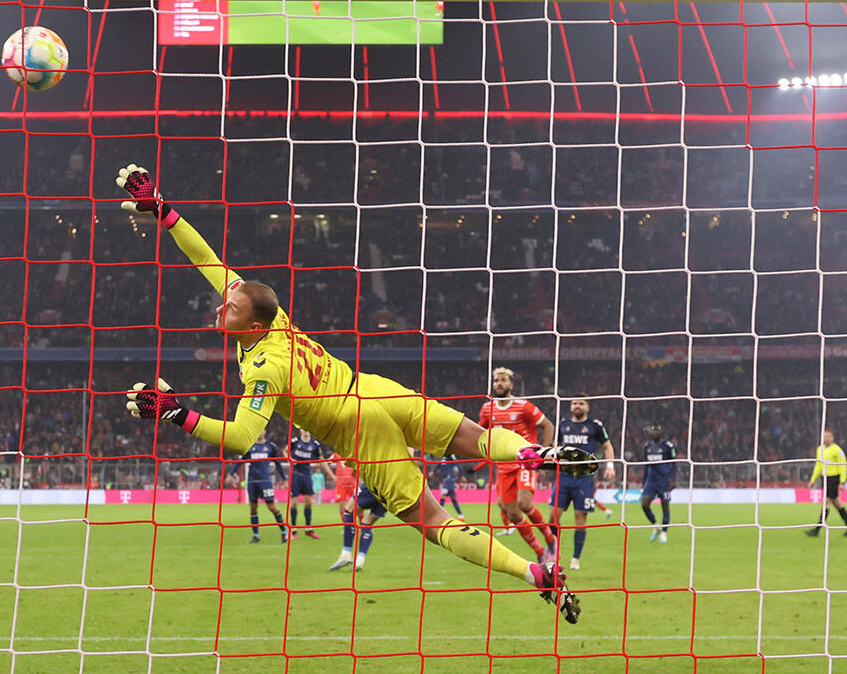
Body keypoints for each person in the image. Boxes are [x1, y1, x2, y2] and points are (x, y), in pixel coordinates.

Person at [115, 164, 594, 622]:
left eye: (232, 305)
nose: (224, 303)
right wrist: (163, 210)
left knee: (434, 521)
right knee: (475, 436)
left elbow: (242, 438)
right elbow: (206, 258)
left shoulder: (265, 368)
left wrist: (176, 414)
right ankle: (535, 452)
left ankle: (535, 573)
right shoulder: (270, 315)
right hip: (372, 389)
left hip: (354, 428)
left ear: (253, 323)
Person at [478, 367, 558, 562]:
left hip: (526, 462)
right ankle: (540, 553)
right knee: (512, 513)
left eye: (503, 380)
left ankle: (550, 538)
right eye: (496, 380)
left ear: (511, 384)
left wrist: (543, 455)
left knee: (524, 503)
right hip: (503, 466)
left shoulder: (524, 407)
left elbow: (548, 425)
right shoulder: (488, 408)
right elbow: (479, 432)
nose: (499, 383)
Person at [548, 396, 616, 570]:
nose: (577, 406)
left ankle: (575, 559)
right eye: (574, 403)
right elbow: (554, 445)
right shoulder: (563, 424)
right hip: (563, 476)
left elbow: (607, 446)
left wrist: (610, 465)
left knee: (580, 520)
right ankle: (554, 553)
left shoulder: (595, 426)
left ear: (587, 407)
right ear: (571, 407)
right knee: (552, 517)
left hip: (585, 479)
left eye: (581, 403)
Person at [228, 433, 288, 544]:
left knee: (271, 507)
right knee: (253, 508)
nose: (260, 432)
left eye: (262, 430)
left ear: (265, 431)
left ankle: (284, 531)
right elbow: (239, 462)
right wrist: (231, 474)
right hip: (252, 481)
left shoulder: (271, 446)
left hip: (265, 481)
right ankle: (256, 535)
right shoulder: (249, 446)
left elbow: (278, 463)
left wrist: (284, 479)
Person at [331, 482, 391, 572]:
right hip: (391, 491)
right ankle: (360, 560)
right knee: (367, 523)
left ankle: (346, 554)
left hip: (375, 483)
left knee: (349, 511)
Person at [286, 429, 334, 538]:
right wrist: (289, 459)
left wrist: (332, 475)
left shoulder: (315, 445)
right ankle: (293, 529)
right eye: (304, 429)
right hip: (295, 476)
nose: (306, 431)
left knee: (308, 503)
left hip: (307, 476)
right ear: (300, 430)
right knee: (294, 503)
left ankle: (308, 529)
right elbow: (285, 451)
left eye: (308, 430)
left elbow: (321, 460)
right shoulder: (295, 442)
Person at [805, 429, 847, 537]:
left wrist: (842, 481)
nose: (826, 438)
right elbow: (818, 465)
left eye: (828, 436)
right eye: (825, 436)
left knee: (826, 502)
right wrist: (813, 479)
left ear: (832, 438)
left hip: (834, 478)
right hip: (825, 478)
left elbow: (843, 465)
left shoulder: (837, 449)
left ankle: (817, 529)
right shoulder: (820, 449)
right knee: (836, 503)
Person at [640, 425, 676, 544]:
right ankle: (656, 526)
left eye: (657, 431)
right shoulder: (647, 447)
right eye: (653, 430)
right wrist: (643, 481)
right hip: (651, 481)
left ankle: (664, 533)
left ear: (661, 433)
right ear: (651, 432)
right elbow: (646, 465)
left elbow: (674, 463)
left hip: (664, 481)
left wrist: (672, 480)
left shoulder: (667, 446)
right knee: (644, 504)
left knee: (665, 506)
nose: (655, 433)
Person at [432, 454, 465, 521]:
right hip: (447, 478)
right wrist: (433, 471)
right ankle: (461, 515)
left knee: (443, 496)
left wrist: (461, 475)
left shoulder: (451, 455)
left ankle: (438, 514)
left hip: (450, 478)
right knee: (452, 497)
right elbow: (439, 465)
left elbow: (457, 464)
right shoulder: (443, 457)